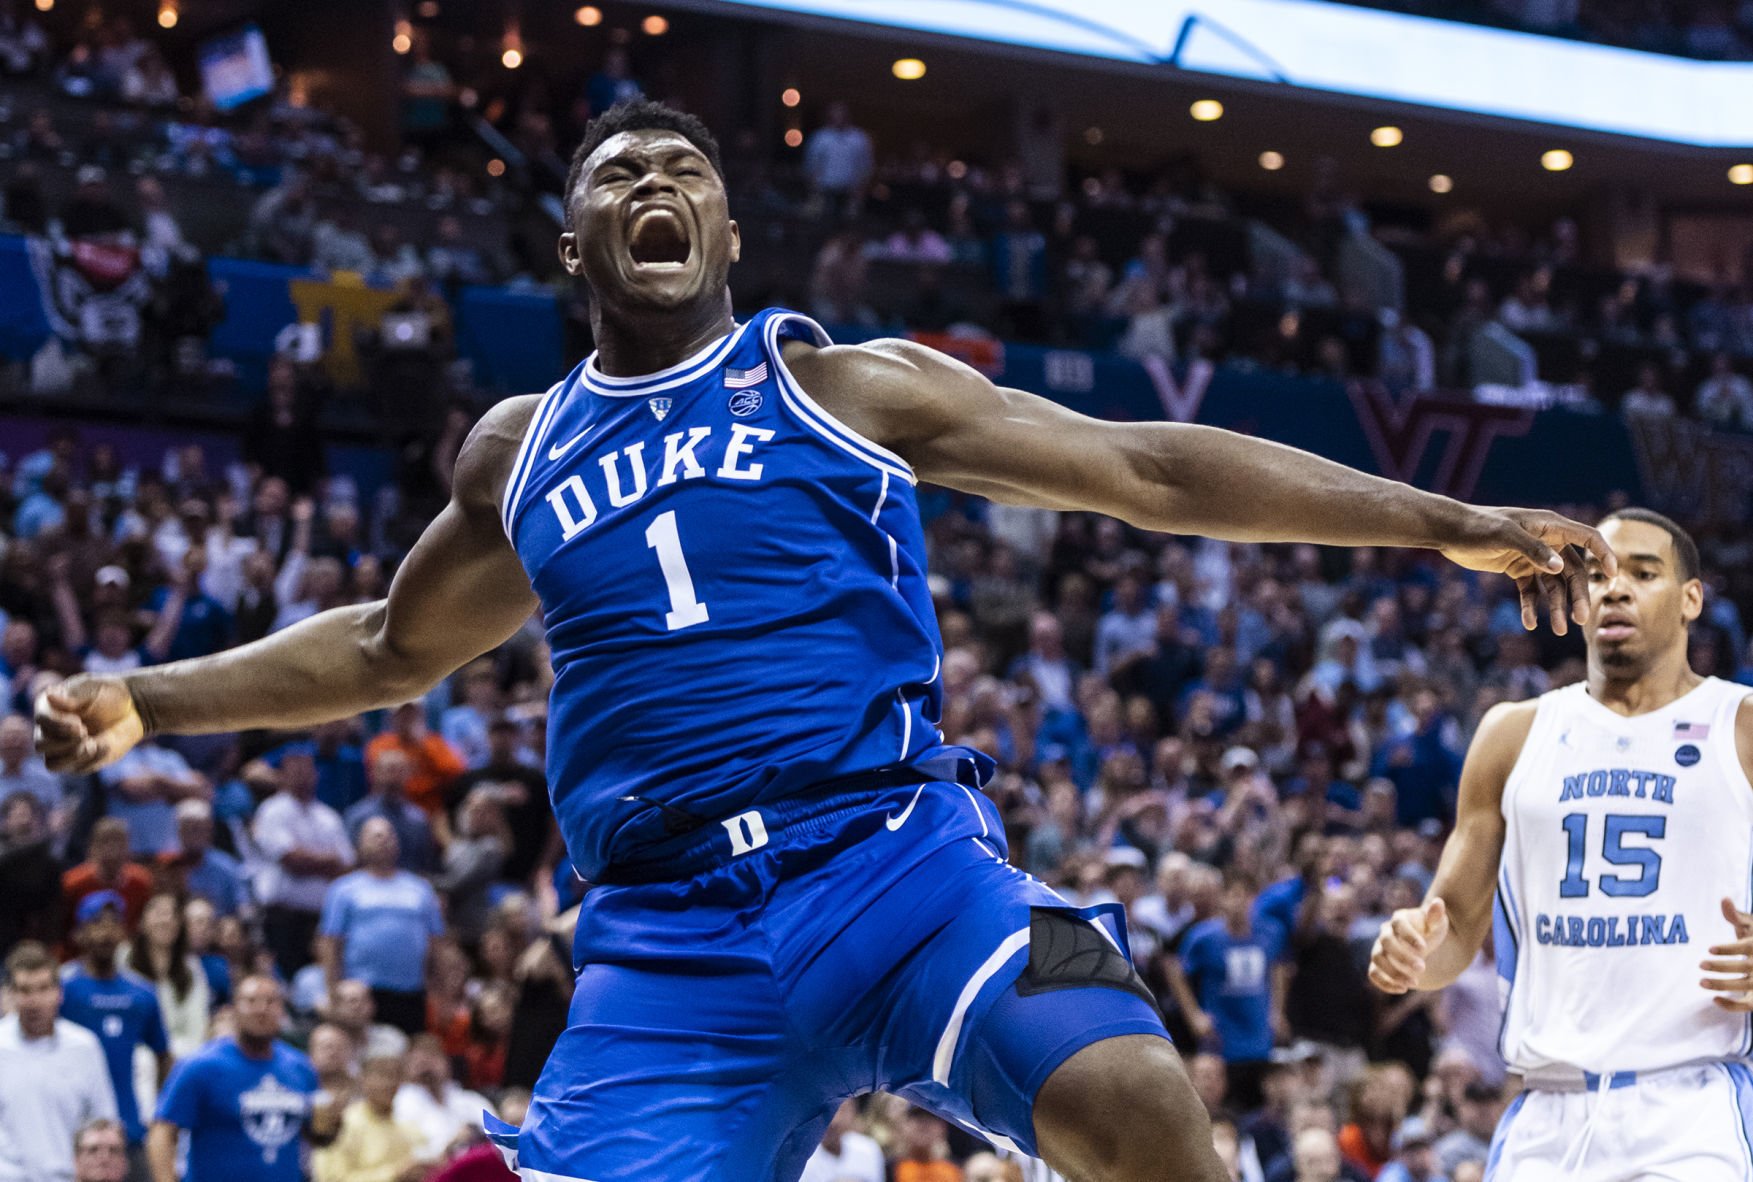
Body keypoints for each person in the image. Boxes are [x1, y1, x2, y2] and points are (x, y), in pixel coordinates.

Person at [36, 98, 1611, 1182]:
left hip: (897, 861)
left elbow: (1148, 468)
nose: (652, 182)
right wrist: (146, 700)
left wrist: (1436, 518)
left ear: (725, 227)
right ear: (573, 247)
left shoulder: (843, 387)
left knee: (1135, 1099)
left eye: (682, 170)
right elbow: (387, 646)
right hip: (669, 941)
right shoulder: (518, 450)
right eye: (617, 173)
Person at [1370, 508, 1753, 1180]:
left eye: (1642, 573)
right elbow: (1452, 931)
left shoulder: (1739, 725)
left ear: (1690, 598)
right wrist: (1412, 953)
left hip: (1689, 1108)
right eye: (1598, 574)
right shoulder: (1512, 734)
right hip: (1543, 1113)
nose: (1615, 589)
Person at [150, 975, 337, 1182]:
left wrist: (332, 1124)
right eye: (251, 1001)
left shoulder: (300, 1067)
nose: (261, 1009)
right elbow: (162, 1133)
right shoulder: (201, 1066)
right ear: (233, 1010)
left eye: (271, 1002)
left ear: (282, 1011)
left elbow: (317, 1135)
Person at [58, 892, 170, 1159]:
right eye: (96, 923)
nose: (105, 933)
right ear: (80, 933)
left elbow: (163, 1055)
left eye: (112, 923)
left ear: (123, 932)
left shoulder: (142, 993)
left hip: (128, 1129)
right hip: (72, 1131)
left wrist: (159, 1115)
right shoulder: (62, 990)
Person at [0, 943, 118, 1182]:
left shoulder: (84, 1047)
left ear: (59, 993)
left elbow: (104, 1123)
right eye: (25, 990)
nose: (34, 1000)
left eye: (43, 989)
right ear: (11, 994)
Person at [317, 818, 444, 1036]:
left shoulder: (420, 888)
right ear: (360, 844)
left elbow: (436, 941)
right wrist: (332, 991)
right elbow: (330, 942)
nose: (382, 841)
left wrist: (438, 991)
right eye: (375, 836)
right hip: (360, 991)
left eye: (388, 835)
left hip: (411, 990)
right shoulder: (344, 889)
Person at [122, 891, 211, 1057]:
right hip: (132, 1050)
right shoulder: (122, 958)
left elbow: (196, 1025)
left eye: (172, 915)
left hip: (177, 1053)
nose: (166, 920)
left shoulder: (191, 967)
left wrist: (172, 1054)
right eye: (158, 913)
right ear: (141, 921)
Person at [312, 1052, 422, 1182]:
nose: (390, 1083)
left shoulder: (408, 1128)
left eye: (396, 1075)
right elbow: (331, 1179)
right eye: (382, 1075)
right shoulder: (341, 1125)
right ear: (362, 1079)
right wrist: (394, 1174)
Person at [60, 818, 154, 938]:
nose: (112, 850)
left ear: (129, 848)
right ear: (91, 848)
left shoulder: (142, 882)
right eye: (105, 842)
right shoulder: (71, 883)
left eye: (119, 842)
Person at [799, 1098, 884, 1182]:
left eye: (842, 1110)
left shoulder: (868, 1149)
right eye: (828, 1112)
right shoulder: (804, 1161)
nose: (835, 1121)